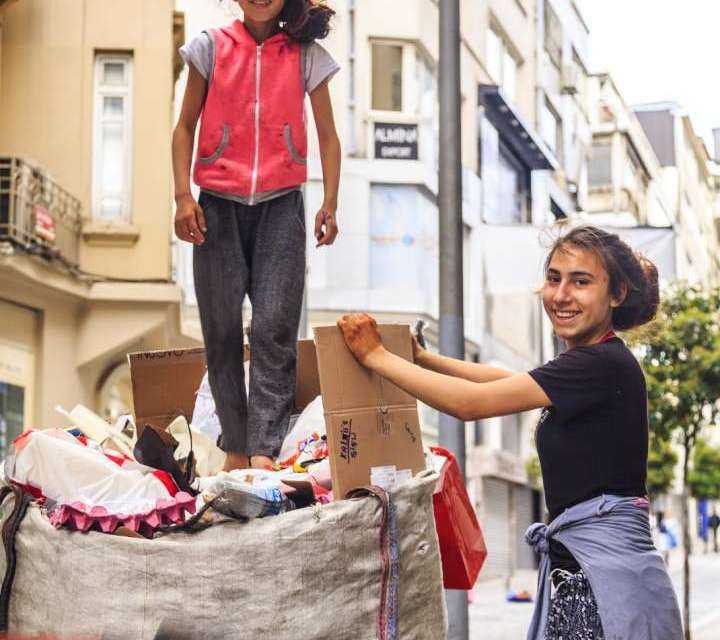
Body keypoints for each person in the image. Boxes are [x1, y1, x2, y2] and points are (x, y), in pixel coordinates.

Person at [337, 226, 682, 640]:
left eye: (581, 281)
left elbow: (469, 403)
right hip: (592, 570)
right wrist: (423, 359)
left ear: (617, 294)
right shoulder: (592, 361)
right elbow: (502, 379)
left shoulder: (599, 364)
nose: (561, 295)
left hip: (605, 578)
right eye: (554, 279)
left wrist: (374, 356)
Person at [173, 0, 341, 471]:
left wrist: (331, 200)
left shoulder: (306, 55)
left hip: (282, 206)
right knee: (222, 330)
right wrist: (182, 197)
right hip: (216, 207)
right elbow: (185, 126)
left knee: (274, 329)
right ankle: (235, 449)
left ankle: (264, 449)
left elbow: (327, 134)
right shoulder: (209, 48)